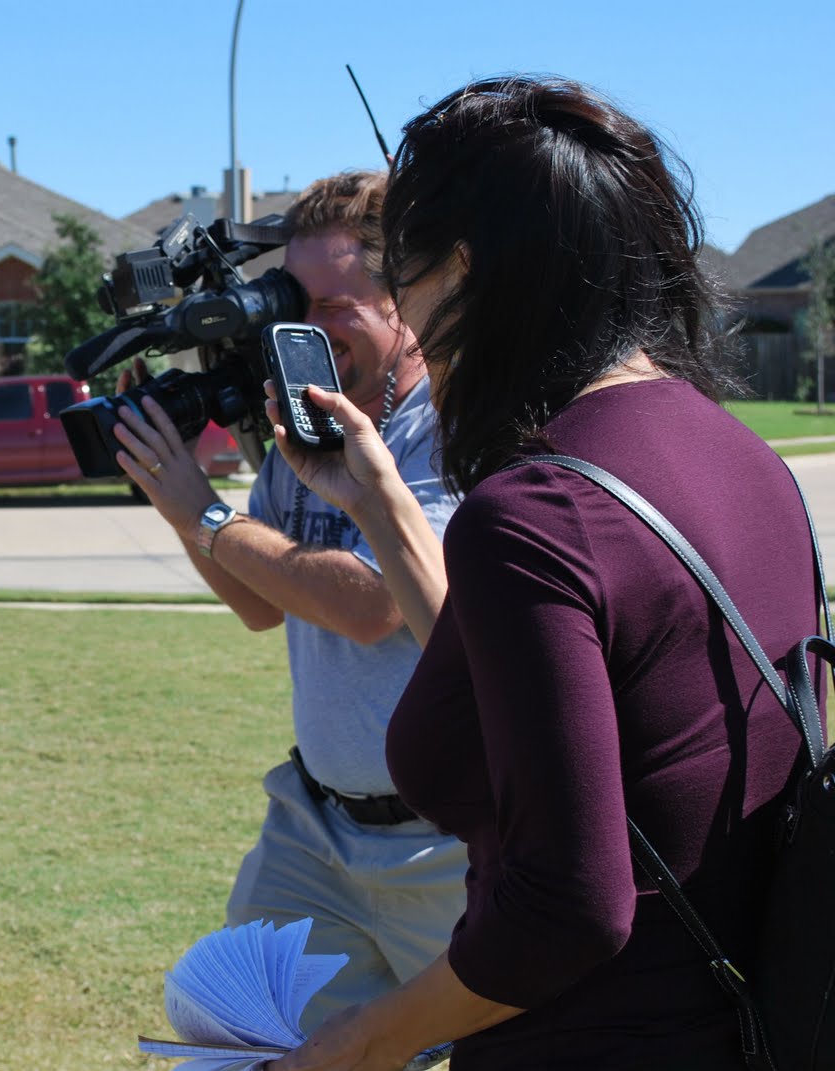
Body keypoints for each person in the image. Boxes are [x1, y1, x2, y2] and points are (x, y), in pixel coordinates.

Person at [266, 76, 816, 1070]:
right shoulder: (745, 462)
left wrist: (348, 1049)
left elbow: (563, 909)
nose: (410, 322)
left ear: (463, 270)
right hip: (752, 1028)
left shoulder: (535, 512)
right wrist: (377, 498)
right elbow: (533, 693)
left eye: (406, 277)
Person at [113, 171, 467, 1031]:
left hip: (444, 845)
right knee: (231, 1018)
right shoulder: (302, 415)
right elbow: (259, 602)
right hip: (317, 827)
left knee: (519, 1050)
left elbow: (372, 603)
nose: (302, 325)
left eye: (331, 303)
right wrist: (179, 503)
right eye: (288, 300)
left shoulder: (452, 424)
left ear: (404, 298)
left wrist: (208, 512)